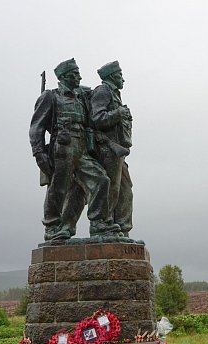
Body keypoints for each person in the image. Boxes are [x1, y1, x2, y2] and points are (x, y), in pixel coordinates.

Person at [29, 58, 121, 240]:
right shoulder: (51, 96)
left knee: (101, 179)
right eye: (74, 74)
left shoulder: (81, 95)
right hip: (63, 146)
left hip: (82, 146)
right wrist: (38, 153)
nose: (79, 77)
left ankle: (98, 223)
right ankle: (52, 226)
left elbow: (98, 94)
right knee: (59, 187)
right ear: (63, 77)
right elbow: (36, 128)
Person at [90, 61, 133, 237]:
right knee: (111, 187)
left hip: (118, 149)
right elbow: (97, 118)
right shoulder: (103, 91)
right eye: (120, 74)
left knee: (125, 188)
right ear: (112, 76)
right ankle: (105, 224)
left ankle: (122, 227)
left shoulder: (114, 94)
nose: (123, 78)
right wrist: (119, 114)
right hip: (107, 148)